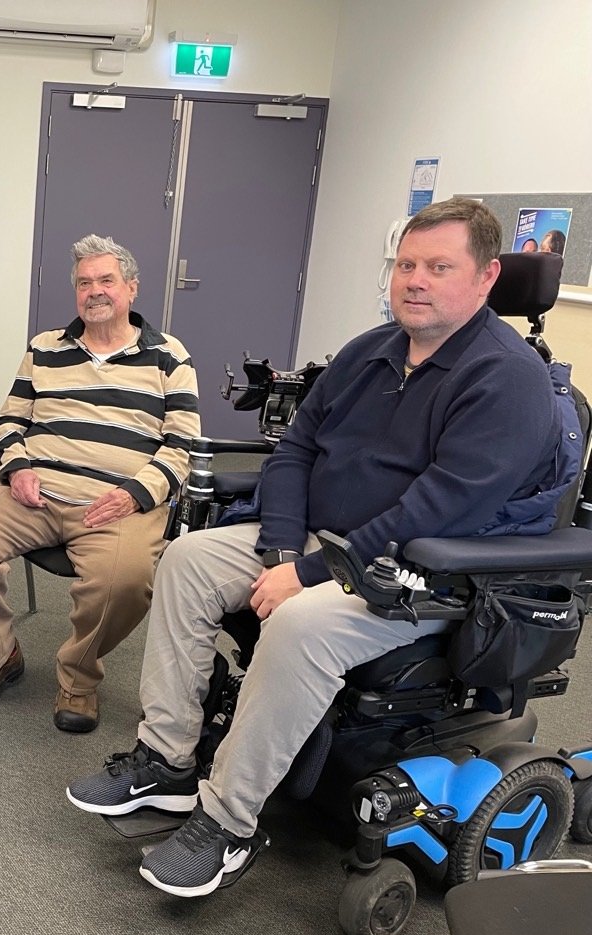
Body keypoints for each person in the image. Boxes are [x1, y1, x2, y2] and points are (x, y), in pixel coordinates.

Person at [65, 198, 574, 898]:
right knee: (187, 559)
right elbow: (297, 448)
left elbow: (441, 505)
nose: (415, 280)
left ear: (486, 277)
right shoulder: (373, 349)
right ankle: (169, 759)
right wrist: (280, 551)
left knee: (301, 624)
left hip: (422, 570)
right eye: (406, 264)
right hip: (315, 543)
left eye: (438, 267)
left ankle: (227, 821)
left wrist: (304, 577)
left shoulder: (508, 379)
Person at [0, 234, 201, 733]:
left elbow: (182, 446)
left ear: (132, 289)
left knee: (122, 580)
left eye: (107, 280)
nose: (95, 291)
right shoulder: (45, 348)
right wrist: (17, 467)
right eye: (85, 282)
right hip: (36, 493)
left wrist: (135, 494)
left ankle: (79, 680)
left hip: (120, 502)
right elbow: (8, 422)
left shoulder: (169, 356)